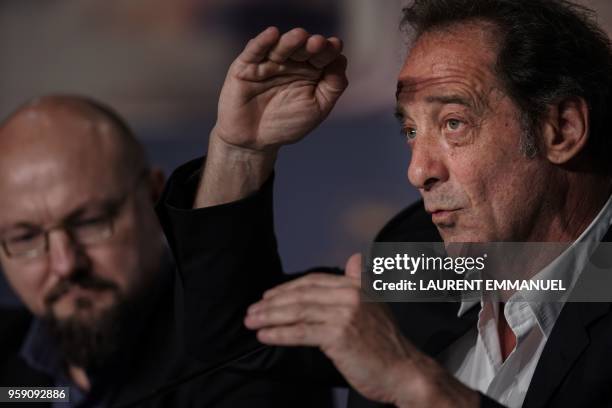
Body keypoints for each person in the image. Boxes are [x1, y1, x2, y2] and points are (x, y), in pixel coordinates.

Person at [158, 0, 612, 407]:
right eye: (411, 131)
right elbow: (240, 334)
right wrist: (242, 151)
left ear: (562, 129)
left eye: (453, 123)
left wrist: (417, 385)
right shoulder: (428, 255)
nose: (418, 171)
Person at [0, 95, 335, 407]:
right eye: (25, 238)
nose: (65, 264)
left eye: (90, 222)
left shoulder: (251, 358)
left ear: (153, 196)